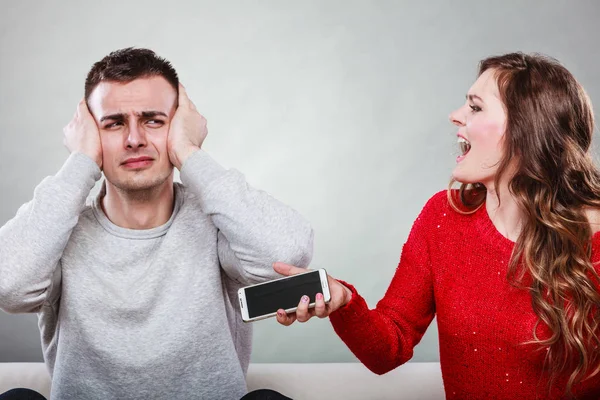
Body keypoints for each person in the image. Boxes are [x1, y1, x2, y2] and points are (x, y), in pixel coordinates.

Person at [274, 52, 600, 399]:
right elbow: (389, 347)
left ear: (526, 129)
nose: (455, 116)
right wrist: (344, 301)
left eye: (475, 108)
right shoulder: (444, 217)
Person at [0, 48, 311, 400]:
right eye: (114, 123)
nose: (135, 139)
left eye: (153, 121)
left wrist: (190, 153)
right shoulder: (60, 229)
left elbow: (288, 253)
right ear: (88, 134)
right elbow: (8, 286)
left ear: (180, 127)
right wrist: (79, 163)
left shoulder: (218, 223)